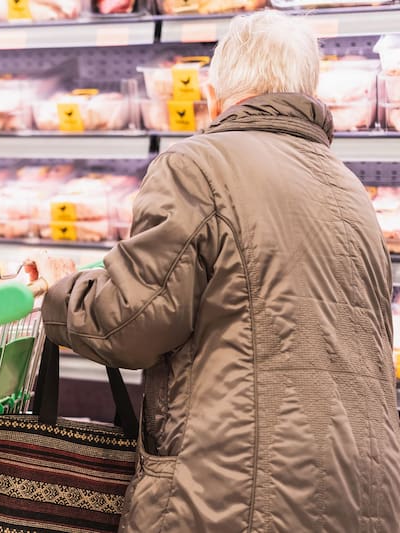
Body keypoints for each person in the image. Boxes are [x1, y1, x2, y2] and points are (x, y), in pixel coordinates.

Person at [27, 10, 400, 533]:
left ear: (216, 90)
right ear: (309, 90)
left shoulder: (198, 166)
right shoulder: (352, 192)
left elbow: (131, 322)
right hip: (367, 495)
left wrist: (62, 292)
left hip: (236, 493)